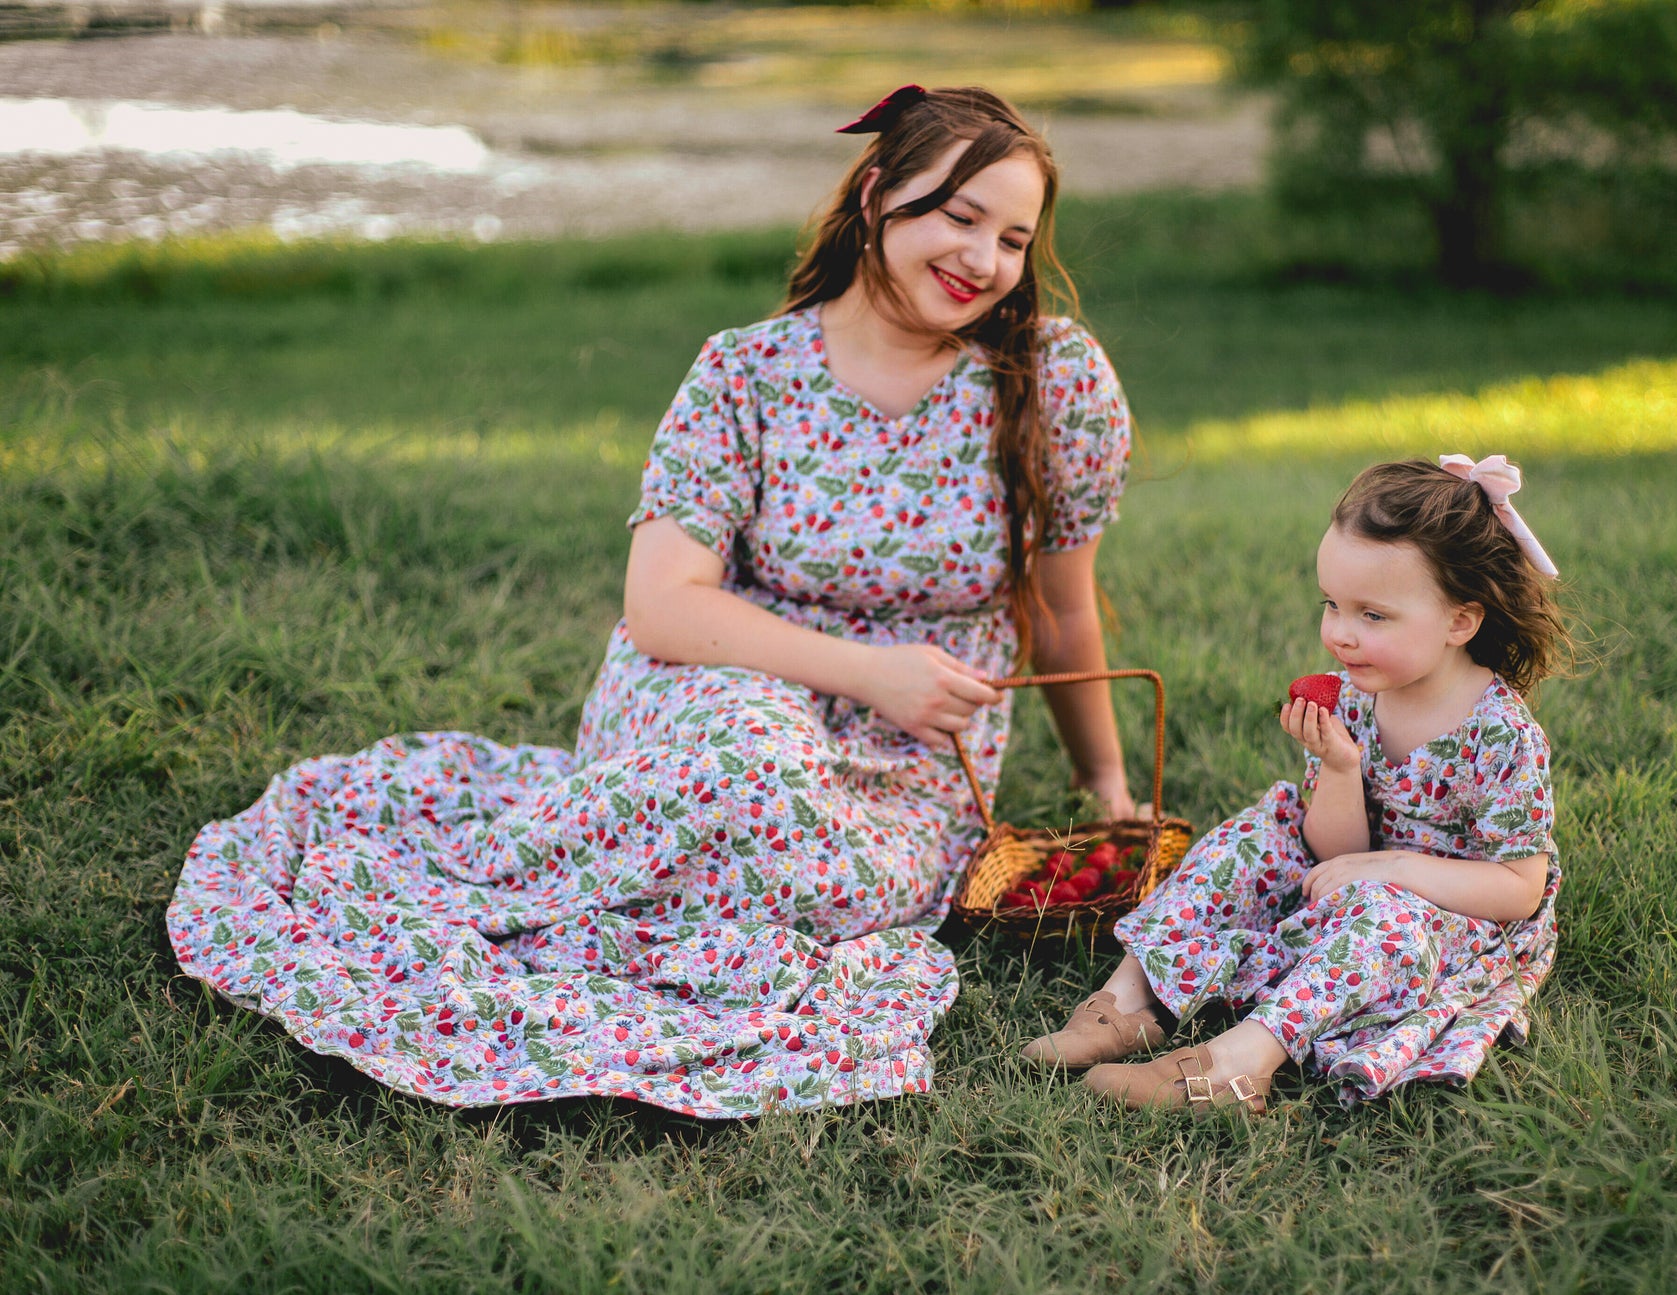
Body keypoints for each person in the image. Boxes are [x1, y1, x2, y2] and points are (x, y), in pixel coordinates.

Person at [168, 85, 1137, 1118]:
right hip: (720, 686)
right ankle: (550, 890)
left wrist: (1107, 783)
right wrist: (868, 670)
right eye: (958, 215)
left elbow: (1064, 612)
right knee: (744, 767)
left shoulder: (1050, 381)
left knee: (814, 856)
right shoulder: (744, 374)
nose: (983, 258)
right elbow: (665, 609)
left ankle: (651, 887)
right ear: (873, 197)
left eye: (1013, 237)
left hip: (909, 766)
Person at [1023, 455, 1569, 1115]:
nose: (1340, 632)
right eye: (1331, 604)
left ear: (1461, 621)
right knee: (1246, 841)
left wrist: (1390, 866)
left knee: (1381, 919)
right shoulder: (1356, 696)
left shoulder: (1503, 736)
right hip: (1352, 869)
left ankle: (1239, 1063)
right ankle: (1133, 997)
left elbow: (1519, 888)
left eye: (1373, 615)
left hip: (1454, 908)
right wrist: (1339, 769)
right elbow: (1330, 849)